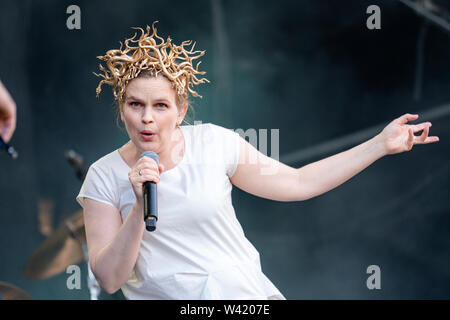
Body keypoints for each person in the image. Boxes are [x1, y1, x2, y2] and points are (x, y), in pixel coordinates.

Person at [76, 22, 439, 300]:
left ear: (181, 110)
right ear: (121, 107)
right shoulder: (104, 176)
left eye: (160, 106)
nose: (147, 118)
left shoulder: (214, 141)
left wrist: (378, 145)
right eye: (135, 104)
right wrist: (139, 204)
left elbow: (299, 183)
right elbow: (109, 279)